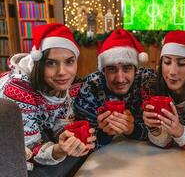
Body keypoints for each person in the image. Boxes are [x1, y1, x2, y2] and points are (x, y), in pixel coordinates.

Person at [0, 23, 96, 173]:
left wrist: (70, 138)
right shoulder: (18, 89)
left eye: (69, 61)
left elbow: (59, 122)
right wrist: (58, 150)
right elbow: (28, 151)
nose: (62, 72)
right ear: (39, 63)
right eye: (51, 63)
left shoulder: (65, 84)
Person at [74, 28, 157, 148]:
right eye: (112, 69)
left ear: (136, 69)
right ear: (103, 71)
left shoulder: (148, 81)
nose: (120, 79)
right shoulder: (91, 87)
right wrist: (105, 133)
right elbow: (83, 143)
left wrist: (133, 129)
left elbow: (161, 133)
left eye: (127, 68)